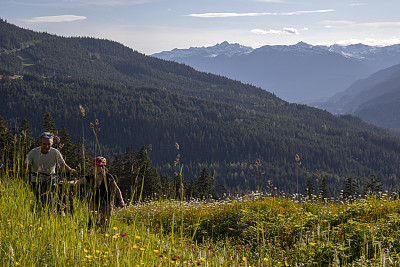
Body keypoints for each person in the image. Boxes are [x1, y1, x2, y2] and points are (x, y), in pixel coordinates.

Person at [69, 156, 125, 230]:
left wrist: (121, 200)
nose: (96, 168)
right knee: (92, 221)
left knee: (105, 225)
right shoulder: (90, 177)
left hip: (107, 203)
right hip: (94, 202)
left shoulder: (108, 177)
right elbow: (77, 182)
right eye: (95, 166)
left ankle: (103, 238)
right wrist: (67, 183)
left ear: (103, 167)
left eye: (98, 166)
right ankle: (90, 235)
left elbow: (116, 189)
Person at [25, 132, 76, 208]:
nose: (47, 146)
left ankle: (60, 210)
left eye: (49, 144)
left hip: (51, 178)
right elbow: (25, 166)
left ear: (52, 143)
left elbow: (63, 165)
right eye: (44, 144)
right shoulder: (33, 153)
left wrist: (70, 170)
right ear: (40, 143)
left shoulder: (55, 152)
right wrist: (26, 171)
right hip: (36, 180)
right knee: (39, 200)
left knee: (56, 196)